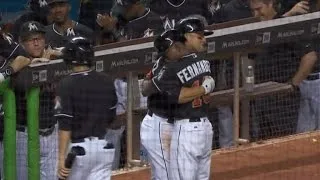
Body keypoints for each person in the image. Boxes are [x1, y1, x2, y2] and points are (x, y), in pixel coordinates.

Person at [151, 17, 215, 180]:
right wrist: (204, 88)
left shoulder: (179, 63)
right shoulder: (199, 61)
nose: (204, 40)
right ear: (186, 37)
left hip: (191, 129)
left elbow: (177, 96)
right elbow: (176, 96)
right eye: (200, 36)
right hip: (200, 130)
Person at [249, 0, 318, 139]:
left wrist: (292, 84)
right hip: (263, 99)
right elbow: (249, 60)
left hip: (284, 102)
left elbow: (310, 57)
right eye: (253, 11)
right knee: (265, 141)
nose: (256, 14)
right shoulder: (256, 30)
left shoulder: (286, 26)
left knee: (289, 141)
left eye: (259, 9)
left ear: (270, 4)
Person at [55, 36, 117, 180]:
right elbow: (110, 117)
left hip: (78, 152)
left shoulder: (66, 84)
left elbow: (65, 125)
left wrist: (61, 158)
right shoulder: (107, 80)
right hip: (103, 149)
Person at [15, 21, 61, 180]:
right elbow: (22, 84)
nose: (36, 42)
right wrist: (42, 66)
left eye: (39, 38)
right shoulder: (18, 63)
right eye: (30, 39)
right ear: (22, 43)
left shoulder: (54, 59)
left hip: (50, 131)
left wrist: (56, 56)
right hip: (25, 135)